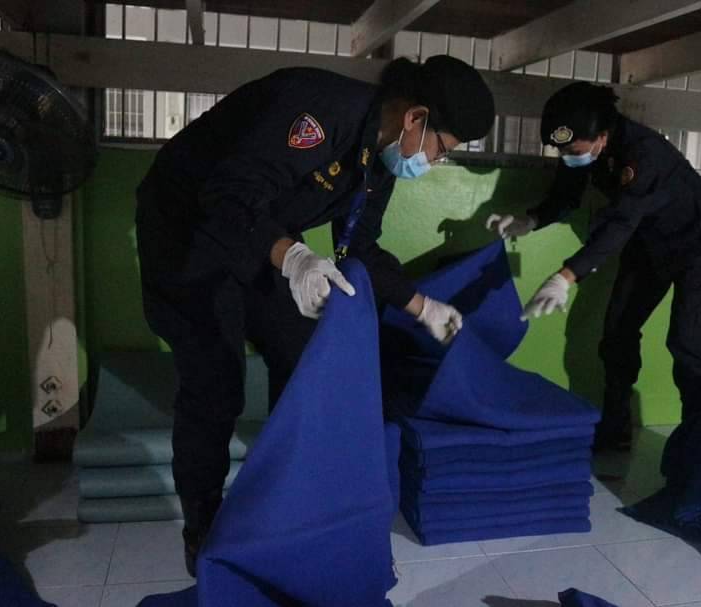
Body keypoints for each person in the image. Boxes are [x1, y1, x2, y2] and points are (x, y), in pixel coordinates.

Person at [135, 55, 495, 575]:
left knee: (303, 353)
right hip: (186, 229)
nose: (435, 161)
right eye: (442, 148)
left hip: (263, 234)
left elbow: (360, 248)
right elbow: (228, 195)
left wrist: (423, 307)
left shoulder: (379, 160)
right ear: (416, 117)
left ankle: (285, 505)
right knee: (215, 381)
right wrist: (294, 257)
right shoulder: (319, 110)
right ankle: (204, 529)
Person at [485, 82, 701, 452]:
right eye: (562, 151)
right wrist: (530, 220)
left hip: (698, 244)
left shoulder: (643, 153)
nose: (568, 157)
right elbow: (566, 196)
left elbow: (620, 224)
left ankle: (697, 435)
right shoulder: (584, 148)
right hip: (648, 243)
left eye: (573, 151)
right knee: (617, 333)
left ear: (602, 136)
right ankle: (615, 428)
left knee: (687, 339)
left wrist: (565, 276)